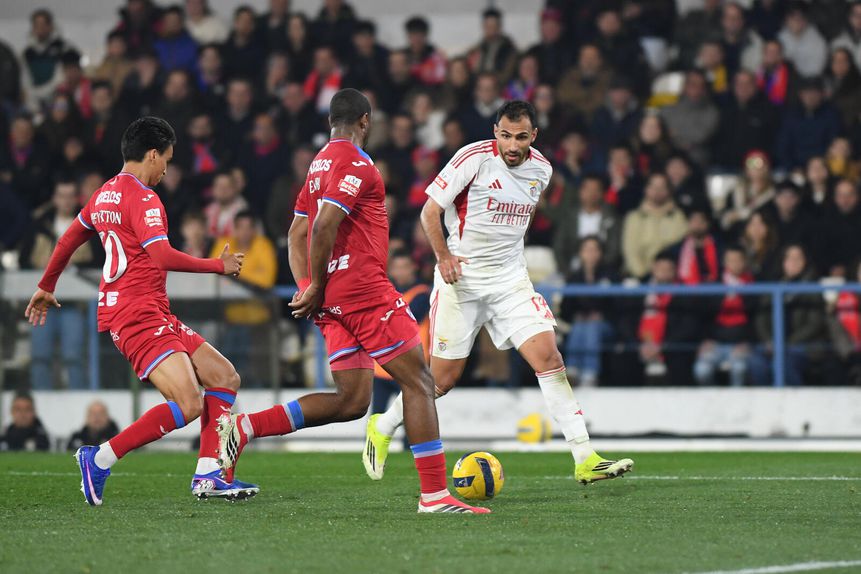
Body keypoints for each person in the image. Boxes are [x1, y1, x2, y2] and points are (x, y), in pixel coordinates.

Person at [214, 88, 488, 514]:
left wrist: (309, 286)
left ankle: (243, 427)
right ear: (365, 120)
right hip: (361, 290)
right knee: (420, 382)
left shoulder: (317, 164)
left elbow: (295, 235)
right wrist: (318, 287)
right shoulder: (358, 164)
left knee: (353, 400)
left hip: (333, 296)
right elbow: (323, 227)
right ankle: (434, 495)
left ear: (330, 122)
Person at [363, 100, 633, 485]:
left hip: (509, 281)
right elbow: (428, 212)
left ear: (533, 136)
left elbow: (518, 222)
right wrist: (444, 258)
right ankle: (383, 424)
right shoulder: (472, 158)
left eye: (520, 137)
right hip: (462, 281)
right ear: (496, 131)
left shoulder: (542, 169)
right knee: (440, 380)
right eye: (505, 135)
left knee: (548, 355)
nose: (511, 144)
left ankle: (584, 455)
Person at [24, 116, 254, 505]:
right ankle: (99, 458)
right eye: (166, 158)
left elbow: (69, 238)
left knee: (225, 377)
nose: (166, 168)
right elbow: (161, 256)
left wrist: (47, 285)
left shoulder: (104, 193)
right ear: (151, 155)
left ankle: (208, 475)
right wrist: (218, 265)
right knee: (188, 404)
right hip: (135, 313)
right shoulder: (144, 197)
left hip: (152, 311)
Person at [19, 180, 99, 390]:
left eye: (70, 196)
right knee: (40, 357)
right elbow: (23, 260)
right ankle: (41, 400)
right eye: (62, 195)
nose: (66, 201)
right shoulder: (39, 226)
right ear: (54, 199)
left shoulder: (88, 226)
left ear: (77, 199)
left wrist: (76, 265)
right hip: (41, 302)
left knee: (73, 357)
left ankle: (78, 403)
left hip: (74, 303)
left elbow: (99, 261)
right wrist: (43, 266)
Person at [371, 251, 431, 430]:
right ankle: (372, 451)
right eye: (397, 267)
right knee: (377, 417)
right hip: (381, 366)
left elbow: (404, 321)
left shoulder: (422, 293)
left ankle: (412, 452)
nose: (401, 271)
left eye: (404, 266)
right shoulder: (385, 292)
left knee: (412, 416)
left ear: (413, 268)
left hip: (410, 365)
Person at [749, 244, 825, 386]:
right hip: (772, 344)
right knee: (756, 363)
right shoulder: (773, 286)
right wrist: (769, 341)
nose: (794, 262)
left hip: (800, 346)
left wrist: (787, 343)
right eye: (789, 258)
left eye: (798, 258)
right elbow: (761, 318)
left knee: (783, 364)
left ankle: (794, 404)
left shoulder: (813, 287)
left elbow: (815, 323)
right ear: (782, 261)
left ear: (805, 261)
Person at [559, 236, 618, 386]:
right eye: (586, 249)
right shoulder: (574, 277)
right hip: (580, 324)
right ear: (580, 253)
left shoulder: (611, 275)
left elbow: (617, 304)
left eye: (594, 249)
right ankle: (572, 370)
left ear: (600, 253)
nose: (590, 253)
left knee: (592, 326)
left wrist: (600, 315)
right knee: (580, 325)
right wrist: (579, 314)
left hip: (606, 324)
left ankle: (590, 374)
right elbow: (566, 308)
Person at [693, 246, 754, 386]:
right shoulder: (713, 287)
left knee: (740, 369)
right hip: (715, 344)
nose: (735, 263)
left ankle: (737, 404)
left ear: (745, 262)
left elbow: (757, 318)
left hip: (742, 344)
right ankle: (712, 403)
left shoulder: (754, 285)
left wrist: (750, 342)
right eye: (730, 260)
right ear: (724, 263)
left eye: (738, 260)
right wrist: (705, 339)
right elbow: (703, 316)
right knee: (701, 370)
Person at [622, 173, 688, 280]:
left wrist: (666, 271)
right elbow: (631, 251)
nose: (657, 191)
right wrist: (643, 274)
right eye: (653, 187)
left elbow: (682, 247)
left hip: (672, 277)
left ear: (669, 190)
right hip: (640, 277)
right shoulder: (634, 217)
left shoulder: (678, 217)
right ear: (646, 189)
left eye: (662, 187)